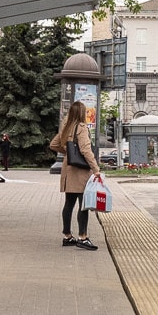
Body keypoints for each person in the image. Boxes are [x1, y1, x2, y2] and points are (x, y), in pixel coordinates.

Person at [48, 101, 101, 250]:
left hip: (68, 169)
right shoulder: (81, 128)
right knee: (83, 205)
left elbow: (53, 144)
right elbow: (85, 149)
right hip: (80, 171)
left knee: (69, 204)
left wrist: (69, 154)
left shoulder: (67, 127)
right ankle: (83, 237)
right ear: (82, 113)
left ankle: (67, 236)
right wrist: (96, 168)